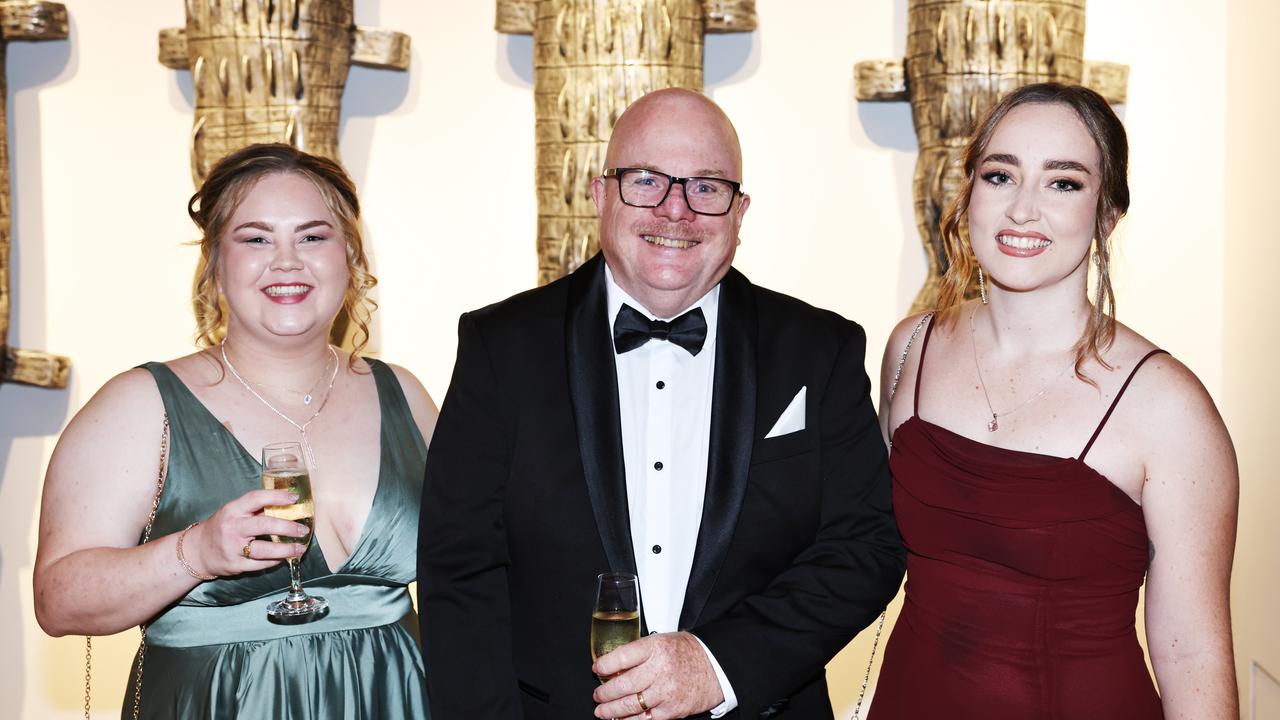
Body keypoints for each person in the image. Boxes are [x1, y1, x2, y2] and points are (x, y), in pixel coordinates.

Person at [418, 87, 905, 720]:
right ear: (599, 193)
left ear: (740, 210)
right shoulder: (499, 347)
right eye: (646, 180)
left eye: (706, 186)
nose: (676, 211)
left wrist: (719, 664)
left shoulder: (821, 350)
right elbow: (460, 570)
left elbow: (865, 546)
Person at [872, 83, 1238, 718]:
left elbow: (1193, 654)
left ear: (1106, 214)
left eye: (1063, 183)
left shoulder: (1170, 408)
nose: (1023, 210)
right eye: (1000, 174)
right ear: (968, 195)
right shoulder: (909, 348)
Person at [33, 143, 437, 719]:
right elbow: (57, 601)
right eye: (255, 238)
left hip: (396, 697)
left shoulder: (407, 395)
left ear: (349, 256)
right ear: (216, 264)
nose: (288, 261)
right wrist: (194, 553)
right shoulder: (139, 405)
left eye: (313, 237)